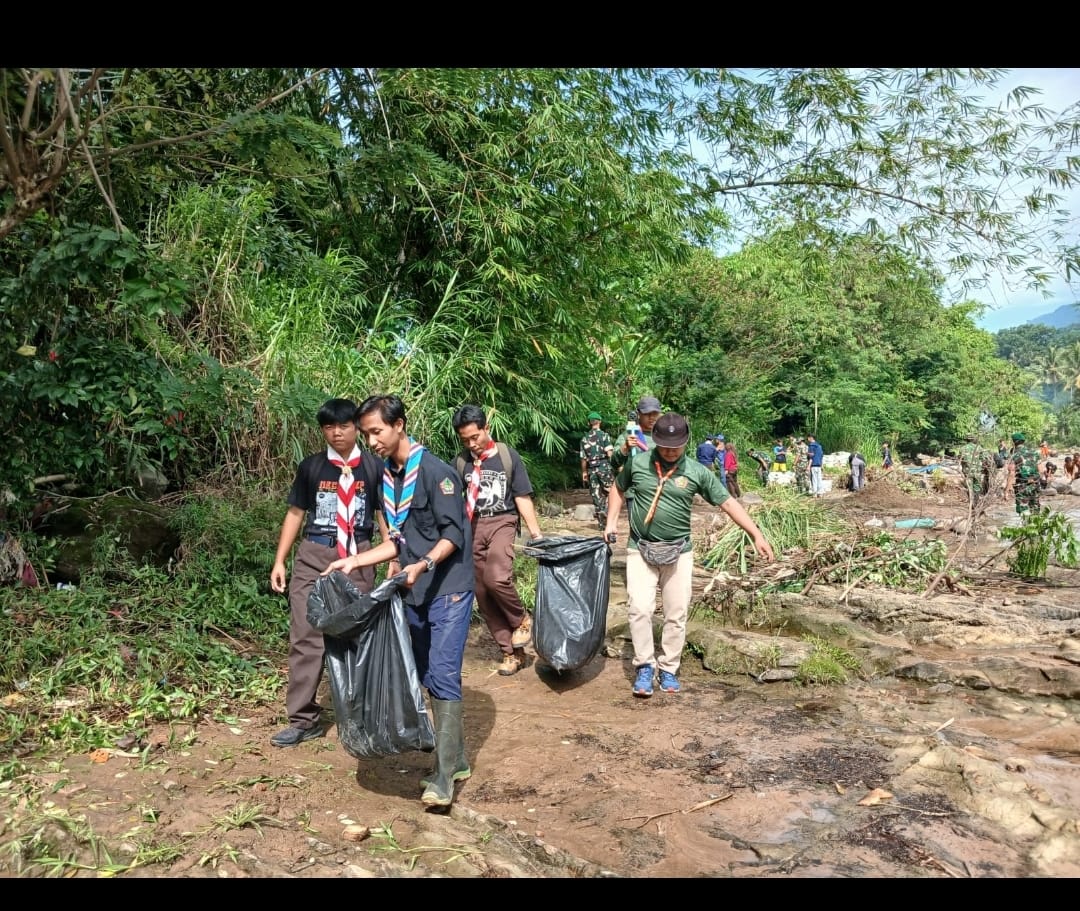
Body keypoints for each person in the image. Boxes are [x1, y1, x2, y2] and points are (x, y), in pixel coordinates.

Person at [324, 394, 475, 809]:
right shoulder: (387, 478)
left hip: (449, 588)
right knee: (426, 673)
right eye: (367, 433)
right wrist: (351, 561)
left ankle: (443, 780)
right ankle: (457, 758)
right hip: (413, 591)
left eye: (376, 431)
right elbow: (395, 543)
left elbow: (453, 535)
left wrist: (422, 564)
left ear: (399, 425)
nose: (371, 440)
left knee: (443, 674)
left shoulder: (437, 473)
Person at [604, 412, 775, 698]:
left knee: (676, 613)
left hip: (679, 552)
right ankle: (645, 665)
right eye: (664, 445)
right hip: (640, 548)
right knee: (640, 609)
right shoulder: (638, 462)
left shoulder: (697, 471)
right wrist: (611, 522)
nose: (670, 450)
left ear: (686, 442)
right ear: (655, 440)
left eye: (676, 446)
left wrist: (755, 534)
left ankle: (669, 667)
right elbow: (617, 490)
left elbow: (728, 503)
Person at [269, 397, 389, 748]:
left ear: (357, 428)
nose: (337, 433)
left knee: (356, 636)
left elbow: (383, 513)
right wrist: (281, 560)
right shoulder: (311, 468)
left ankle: (360, 714)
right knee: (305, 637)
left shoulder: (373, 468)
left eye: (344, 426)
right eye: (328, 427)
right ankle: (303, 719)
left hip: (359, 555)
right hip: (315, 555)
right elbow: (295, 513)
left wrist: (390, 554)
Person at [452, 404, 544, 676]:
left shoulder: (506, 456)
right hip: (473, 526)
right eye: (465, 440)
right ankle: (511, 653)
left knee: (496, 577)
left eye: (475, 437)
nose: (472, 444)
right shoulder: (460, 462)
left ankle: (522, 619)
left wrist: (535, 533)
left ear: (485, 429)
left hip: (503, 521)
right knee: (482, 593)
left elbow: (522, 496)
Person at [580, 411, 615, 530]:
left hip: (591, 469)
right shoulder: (604, 436)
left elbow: (583, 458)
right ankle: (607, 514)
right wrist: (615, 465)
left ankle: (601, 524)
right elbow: (609, 453)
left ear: (589, 423)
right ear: (599, 421)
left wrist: (584, 472)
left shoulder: (584, 439)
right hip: (604, 467)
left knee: (596, 494)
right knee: (610, 492)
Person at [1008, 431, 1041, 515]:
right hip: (1035, 483)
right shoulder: (1034, 452)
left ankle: (1026, 526)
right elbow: (1040, 468)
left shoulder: (1015, 454)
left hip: (1022, 485)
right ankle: (1037, 527)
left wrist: (1006, 490)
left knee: (1024, 511)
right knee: (1035, 509)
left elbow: (1011, 472)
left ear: (1015, 442)